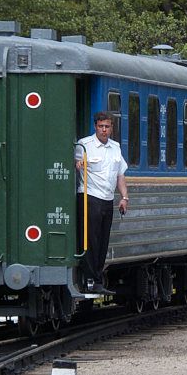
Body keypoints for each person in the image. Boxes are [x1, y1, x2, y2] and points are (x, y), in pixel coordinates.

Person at [75, 111, 130, 293]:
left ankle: (97, 279)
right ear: (95, 127)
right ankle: (90, 281)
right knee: (91, 240)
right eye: (100, 126)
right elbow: (77, 164)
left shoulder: (115, 148)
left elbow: (120, 174)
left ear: (111, 128)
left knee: (103, 241)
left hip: (107, 199)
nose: (104, 130)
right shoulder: (84, 145)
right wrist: (78, 165)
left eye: (107, 127)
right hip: (90, 196)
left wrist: (124, 197)